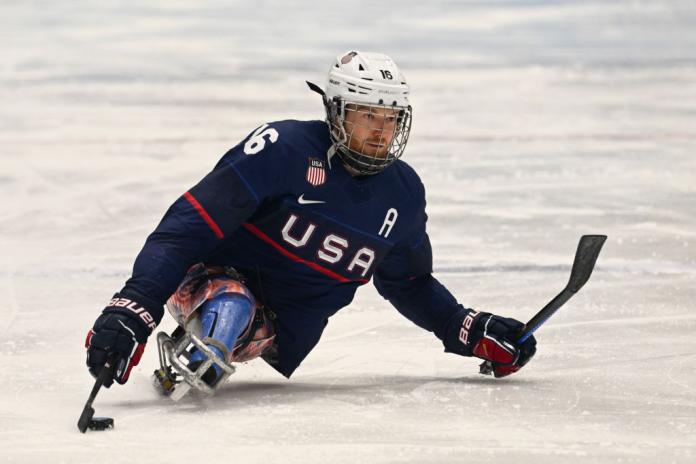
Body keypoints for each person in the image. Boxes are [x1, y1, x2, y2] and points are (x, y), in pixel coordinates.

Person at [85, 51, 537, 395]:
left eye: (390, 117)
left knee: (241, 313)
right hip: (207, 280)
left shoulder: (404, 193)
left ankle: (225, 336)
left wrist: (465, 327)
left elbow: (409, 283)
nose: (380, 131)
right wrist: (134, 307)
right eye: (367, 115)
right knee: (231, 306)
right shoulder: (283, 147)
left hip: (281, 326)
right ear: (337, 113)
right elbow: (189, 224)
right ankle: (204, 340)